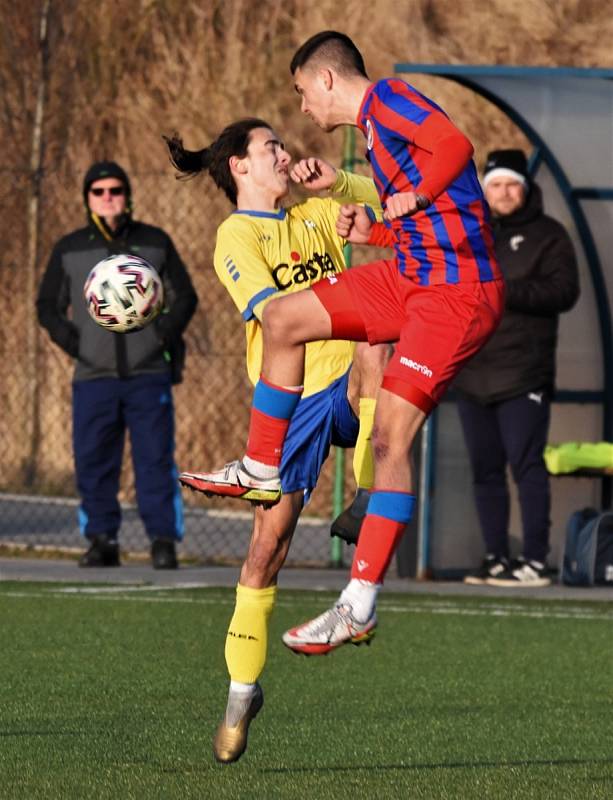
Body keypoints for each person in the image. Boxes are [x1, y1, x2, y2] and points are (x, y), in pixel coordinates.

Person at [189, 30, 504, 657]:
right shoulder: (371, 136)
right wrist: (380, 230)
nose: (303, 109)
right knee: (283, 320)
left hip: (456, 294)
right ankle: (259, 464)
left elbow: (456, 146)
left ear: (326, 80)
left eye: (303, 92)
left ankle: (357, 604)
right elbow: (432, 225)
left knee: (391, 434)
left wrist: (416, 193)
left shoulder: (387, 100)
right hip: (409, 275)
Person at [166, 119, 389, 763]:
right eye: (271, 148)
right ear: (240, 166)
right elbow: (272, 314)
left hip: (344, 380)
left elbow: (396, 202)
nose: (285, 154)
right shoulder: (236, 234)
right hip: (291, 405)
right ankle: (241, 692)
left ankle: (367, 498)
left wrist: (339, 182)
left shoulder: (317, 210)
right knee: (268, 548)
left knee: (379, 340)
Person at [37, 161, 198, 570]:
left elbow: (185, 298)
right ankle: (101, 539)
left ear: (128, 196)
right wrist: (76, 343)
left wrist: (161, 334)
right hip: (94, 377)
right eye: (99, 192)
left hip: (148, 376)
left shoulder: (155, 242)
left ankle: (162, 541)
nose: (108, 198)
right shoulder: (70, 248)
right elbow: (47, 306)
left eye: (116, 190)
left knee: (155, 460)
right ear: (88, 198)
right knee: (93, 459)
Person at [455, 149, 580, 587]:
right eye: (495, 185)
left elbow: (564, 292)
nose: (503, 193)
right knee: (484, 470)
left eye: (511, 185)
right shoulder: (471, 232)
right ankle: (495, 557)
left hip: (523, 373)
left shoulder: (550, 236)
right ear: (484, 190)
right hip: (471, 372)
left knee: (526, 467)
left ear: (525, 189)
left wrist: (503, 290)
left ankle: (534, 560)